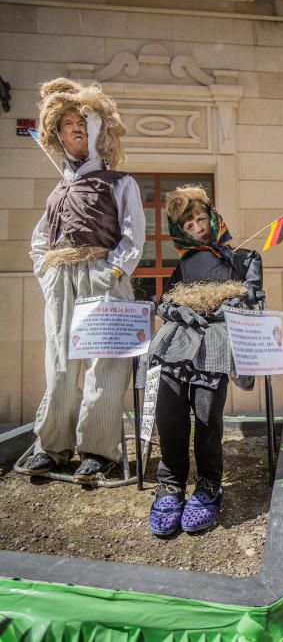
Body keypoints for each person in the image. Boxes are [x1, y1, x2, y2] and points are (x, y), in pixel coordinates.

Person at [26, 78, 145, 482]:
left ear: (95, 129)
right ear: (57, 133)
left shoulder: (119, 182)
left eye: (83, 121)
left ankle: (97, 449)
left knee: (104, 365)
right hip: (61, 278)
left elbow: (133, 234)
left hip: (101, 275)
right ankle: (52, 446)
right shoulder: (57, 191)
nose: (76, 127)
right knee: (59, 363)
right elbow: (40, 240)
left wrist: (113, 272)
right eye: (68, 123)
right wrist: (46, 272)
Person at [146, 185, 262, 536]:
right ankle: (171, 484)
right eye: (188, 224)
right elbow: (164, 301)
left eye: (200, 220)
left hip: (215, 342)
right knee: (169, 412)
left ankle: (209, 484)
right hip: (177, 342)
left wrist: (228, 303)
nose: (197, 228)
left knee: (208, 414)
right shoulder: (183, 263)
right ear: (180, 230)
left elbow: (254, 298)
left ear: (212, 218)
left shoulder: (244, 257)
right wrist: (175, 309)